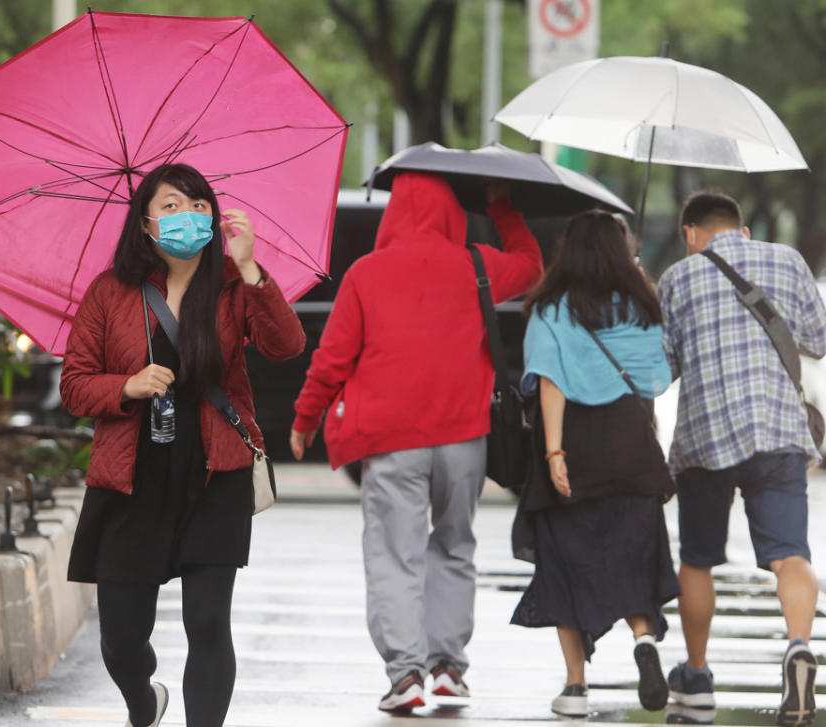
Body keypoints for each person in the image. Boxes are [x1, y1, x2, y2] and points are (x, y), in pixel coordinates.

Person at [61, 163, 305, 727]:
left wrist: (250, 268)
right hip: (132, 477)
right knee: (121, 639)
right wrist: (126, 384)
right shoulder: (110, 291)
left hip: (214, 472)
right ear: (144, 222)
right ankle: (143, 701)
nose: (186, 217)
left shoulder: (231, 286)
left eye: (198, 206)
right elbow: (73, 385)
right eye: (170, 206)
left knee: (208, 623)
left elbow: (286, 345)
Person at [289, 171, 543, 712]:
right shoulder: (476, 263)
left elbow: (333, 357)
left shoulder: (366, 273)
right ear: (452, 212)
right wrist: (502, 210)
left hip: (391, 440)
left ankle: (406, 675)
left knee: (394, 555)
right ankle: (448, 666)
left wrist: (306, 416)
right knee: (455, 546)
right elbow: (530, 265)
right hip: (463, 437)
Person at [658, 190, 826, 726]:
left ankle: (699, 676)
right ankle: (799, 644)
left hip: (705, 438)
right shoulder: (788, 260)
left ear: (689, 235)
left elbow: (660, 370)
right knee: (789, 554)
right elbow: (817, 341)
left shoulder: (677, 279)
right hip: (778, 430)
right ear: (742, 231)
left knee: (698, 560)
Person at [510, 210, 679, 718]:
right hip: (629, 442)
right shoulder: (641, 307)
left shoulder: (552, 310)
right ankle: (644, 640)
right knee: (632, 554)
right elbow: (657, 380)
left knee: (566, 562)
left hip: (577, 448)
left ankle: (576, 686)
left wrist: (555, 452)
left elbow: (550, 381)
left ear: (570, 251)